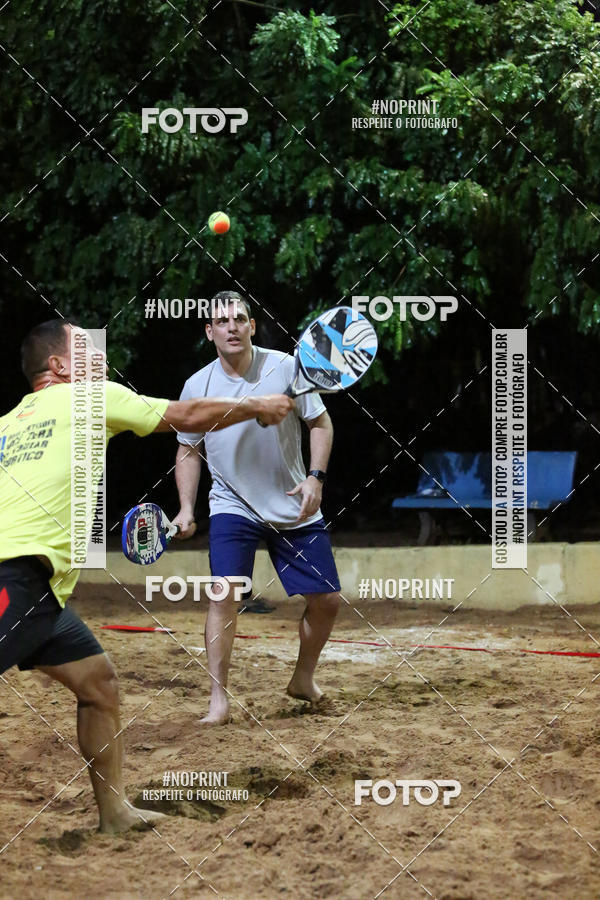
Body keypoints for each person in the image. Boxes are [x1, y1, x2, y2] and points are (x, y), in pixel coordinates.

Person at [0, 319, 293, 832]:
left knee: (99, 684)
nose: (101, 357)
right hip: (13, 578)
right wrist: (256, 405)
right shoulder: (89, 397)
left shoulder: (7, 424)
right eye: (87, 351)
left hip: (40, 592)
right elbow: (187, 415)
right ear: (60, 367)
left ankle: (113, 813)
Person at [173, 290, 341, 725]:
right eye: (222, 321)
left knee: (327, 601)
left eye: (240, 319)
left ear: (251, 326)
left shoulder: (285, 367)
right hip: (232, 504)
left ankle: (303, 679)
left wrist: (315, 479)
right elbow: (188, 449)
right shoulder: (198, 385)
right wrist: (186, 507)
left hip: (292, 504)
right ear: (209, 332)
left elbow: (320, 423)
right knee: (223, 593)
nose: (232, 326)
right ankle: (219, 700)